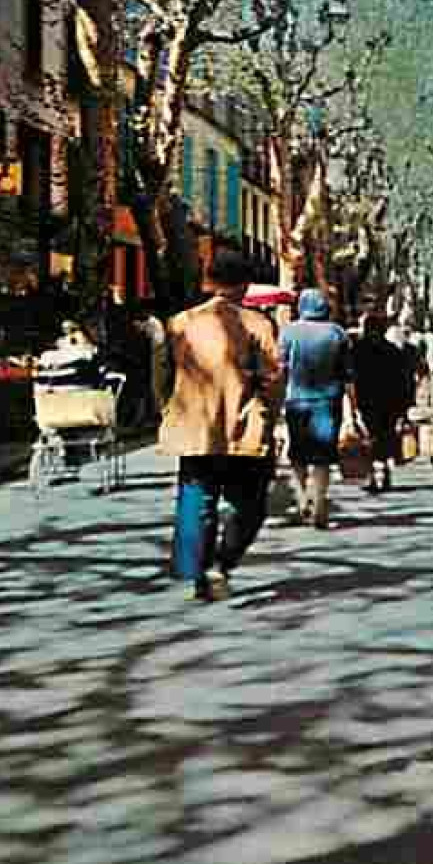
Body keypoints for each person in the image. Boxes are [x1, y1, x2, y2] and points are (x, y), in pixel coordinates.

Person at [157, 249, 281, 602]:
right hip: (243, 427)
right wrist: (270, 415)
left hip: (194, 427)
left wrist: (169, 409)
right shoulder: (258, 325)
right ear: (244, 286)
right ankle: (221, 564)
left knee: (198, 499)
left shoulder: (179, 323)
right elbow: (273, 379)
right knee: (251, 506)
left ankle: (199, 571)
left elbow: (162, 374)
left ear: (208, 282)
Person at [279, 288, 353, 528]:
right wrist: (353, 406)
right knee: (323, 456)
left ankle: (302, 500)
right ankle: (320, 501)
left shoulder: (289, 332)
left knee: (298, 454)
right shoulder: (337, 333)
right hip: (328, 402)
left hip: (297, 401)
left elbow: (280, 367)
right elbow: (347, 374)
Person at [351, 311, 416, 493]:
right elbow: (405, 379)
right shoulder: (394, 351)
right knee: (386, 436)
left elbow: (351, 377)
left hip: (368, 400)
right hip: (390, 402)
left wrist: (352, 402)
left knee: (371, 436)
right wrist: (406, 405)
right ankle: (385, 471)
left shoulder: (358, 350)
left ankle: (373, 474)